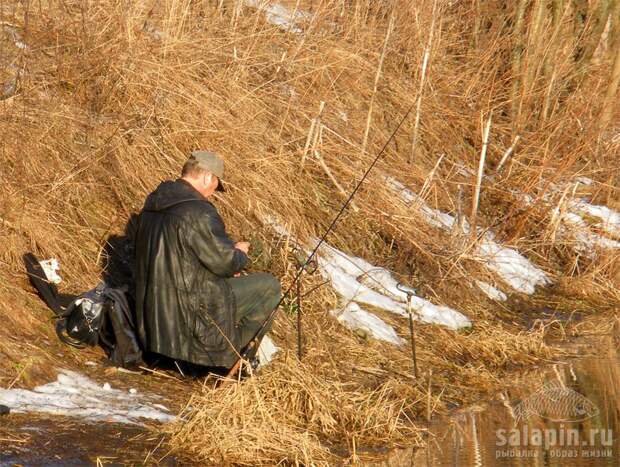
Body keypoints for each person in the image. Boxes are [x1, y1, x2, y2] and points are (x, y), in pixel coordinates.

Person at [134, 150, 281, 370]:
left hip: (153, 323)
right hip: (186, 317)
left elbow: (180, 258)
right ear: (206, 177)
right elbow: (226, 262)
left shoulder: (153, 203)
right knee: (268, 287)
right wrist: (239, 253)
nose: (213, 192)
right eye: (216, 185)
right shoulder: (198, 211)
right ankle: (233, 359)